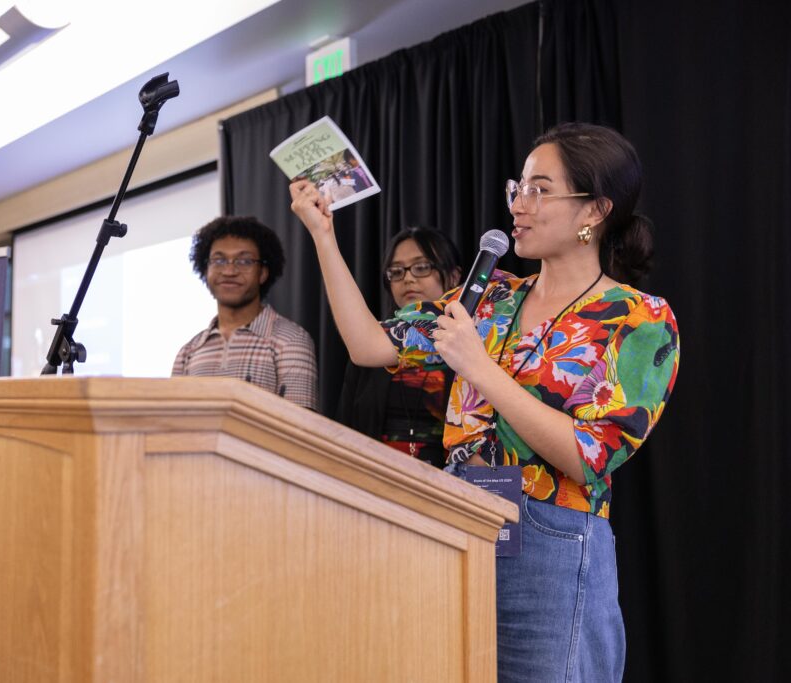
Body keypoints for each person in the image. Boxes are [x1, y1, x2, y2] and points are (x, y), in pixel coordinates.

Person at [290, 122, 679, 682]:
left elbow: (589, 455)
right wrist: (323, 236)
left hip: (554, 540)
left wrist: (478, 367)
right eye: (516, 188)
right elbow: (368, 345)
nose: (519, 204)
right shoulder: (492, 297)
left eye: (540, 190)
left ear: (593, 210)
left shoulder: (639, 318)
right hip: (461, 524)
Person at [336, 227, 462, 468]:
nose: (408, 278)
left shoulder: (478, 341)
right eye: (396, 271)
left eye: (422, 267)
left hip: (454, 488)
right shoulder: (369, 347)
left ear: (454, 276)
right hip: (376, 483)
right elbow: (345, 427)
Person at [172, 215, 319, 411]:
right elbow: (174, 425)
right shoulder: (189, 351)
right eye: (219, 260)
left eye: (244, 261)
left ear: (263, 273)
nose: (230, 270)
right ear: (205, 269)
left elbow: (301, 429)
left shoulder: (291, 340)